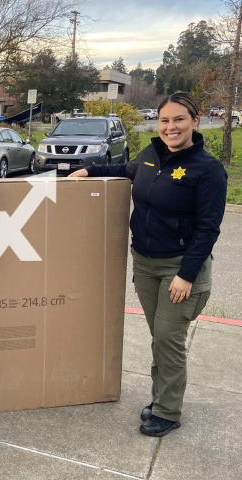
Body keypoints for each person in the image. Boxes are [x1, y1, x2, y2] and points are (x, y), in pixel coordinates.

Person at [69, 93, 227, 437]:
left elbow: (208, 228)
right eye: (165, 120)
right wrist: (87, 170)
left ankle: (168, 411)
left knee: (169, 340)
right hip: (144, 263)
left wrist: (186, 275)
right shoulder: (151, 155)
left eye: (179, 120)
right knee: (160, 338)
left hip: (181, 268)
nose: (171, 127)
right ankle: (160, 399)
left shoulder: (208, 170)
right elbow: (125, 170)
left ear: (195, 121)